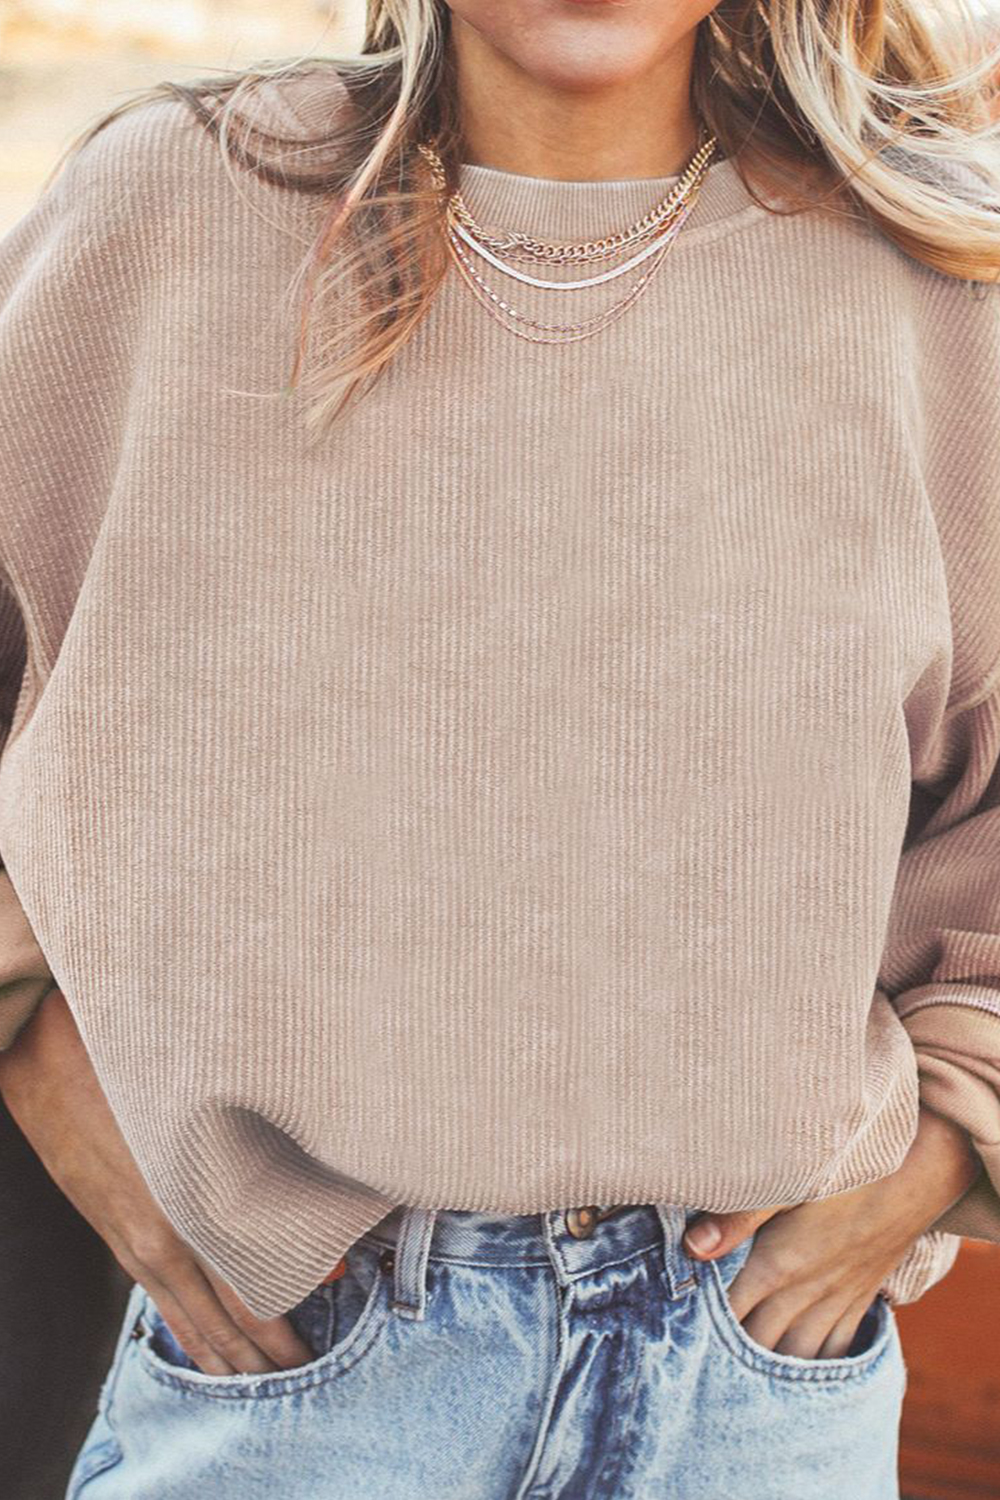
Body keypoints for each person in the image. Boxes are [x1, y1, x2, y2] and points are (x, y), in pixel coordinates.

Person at [0, 1, 999, 1496]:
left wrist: (945, 1142)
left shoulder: (935, 285)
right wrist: (44, 1065)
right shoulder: (176, 210)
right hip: (291, 1378)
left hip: (751, 1383)